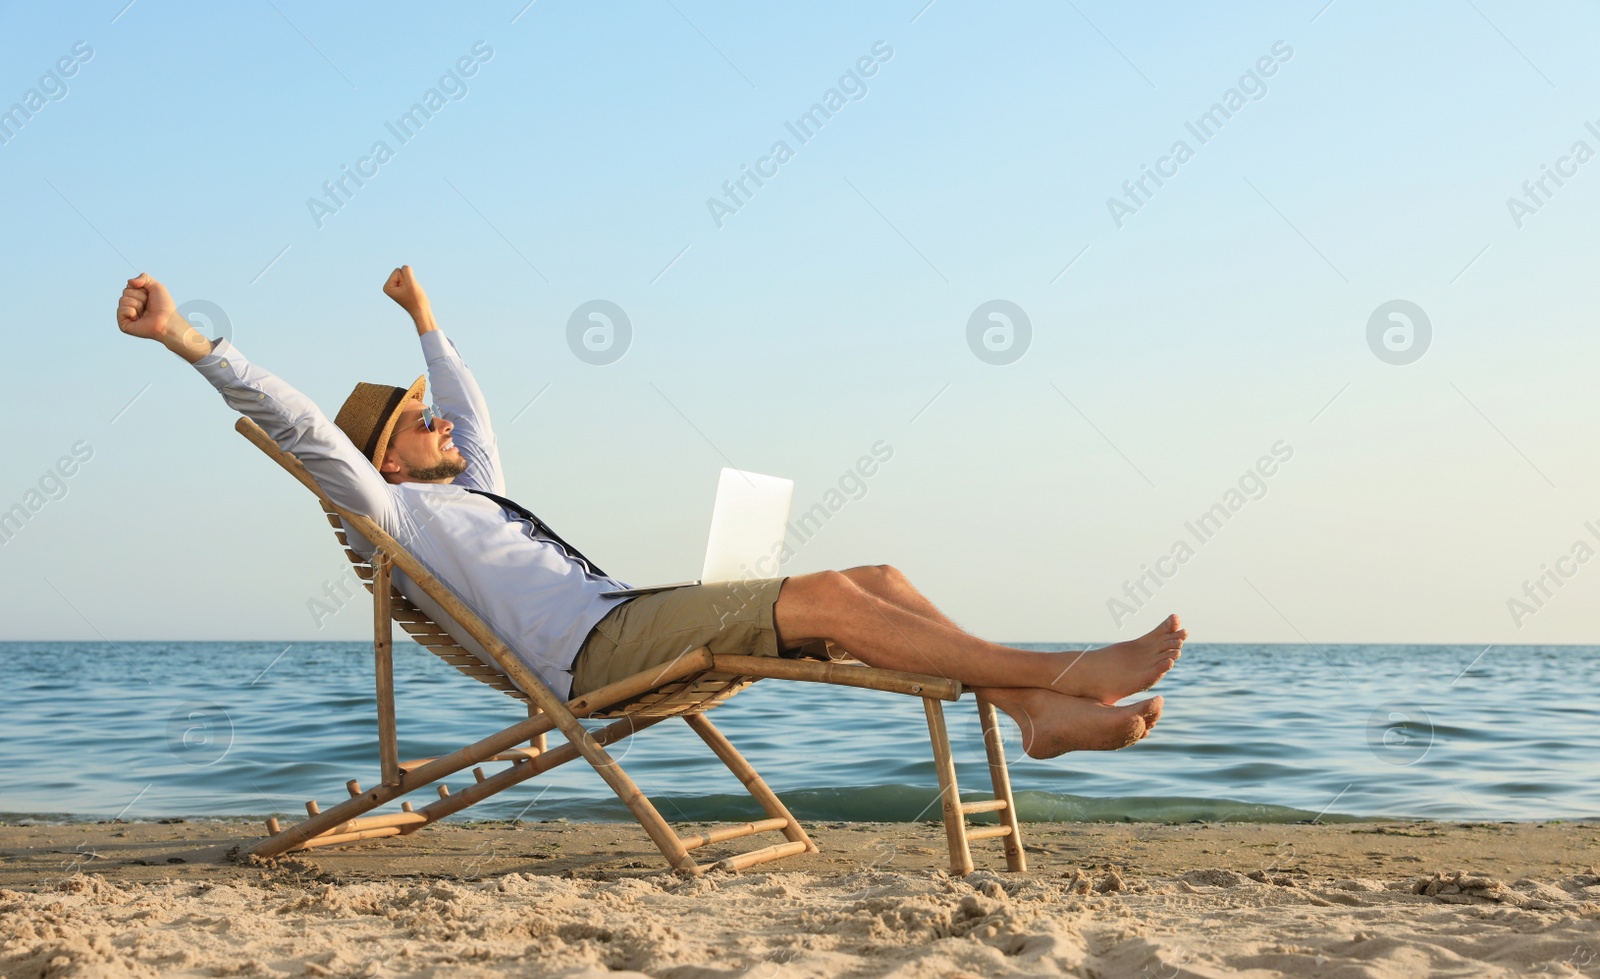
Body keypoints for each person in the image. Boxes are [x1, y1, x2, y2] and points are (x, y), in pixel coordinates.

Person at [116, 267, 1186, 759]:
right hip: (599, 656)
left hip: (632, 610)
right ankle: (1060, 673)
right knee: (824, 600)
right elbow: (304, 428)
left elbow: (475, 407)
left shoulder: (470, 489)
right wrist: (190, 341)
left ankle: (1030, 713)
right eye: (416, 418)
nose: (440, 421)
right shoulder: (389, 512)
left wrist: (428, 323)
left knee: (879, 578)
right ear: (383, 454)